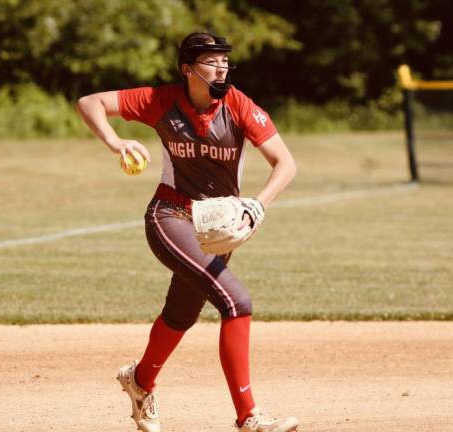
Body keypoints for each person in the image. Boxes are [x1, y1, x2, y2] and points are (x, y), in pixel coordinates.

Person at [76, 31, 298, 432]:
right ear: (188, 69)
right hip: (170, 215)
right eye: (212, 61)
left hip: (217, 226)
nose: (222, 67)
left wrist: (258, 205)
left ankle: (139, 381)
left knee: (180, 315)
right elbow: (89, 102)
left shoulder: (239, 105)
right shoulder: (161, 100)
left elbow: (285, 163)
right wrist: (114, 141)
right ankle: (249, 416)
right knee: (236, 300)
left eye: (225, 61)